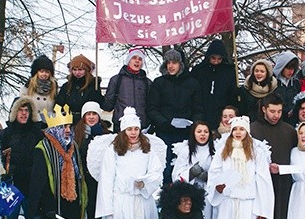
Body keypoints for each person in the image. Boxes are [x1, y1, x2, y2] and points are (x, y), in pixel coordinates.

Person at [28, 104, 86, 219]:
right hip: (51, 205)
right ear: (54, 129)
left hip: (71, 202)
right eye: (64, 127)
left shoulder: (73, 147)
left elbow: (80, 177)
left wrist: (81, 204)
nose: (68, 131)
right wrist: (44, 206)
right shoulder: (42, 148)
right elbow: (38, 180)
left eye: (69, 126)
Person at [249, 94, 297, 219]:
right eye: (272, 111)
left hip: (283, 186)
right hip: (259, 186)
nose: (276, 115)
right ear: (264, 109)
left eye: (279, 111)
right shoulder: (253, 129)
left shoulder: (289, 131)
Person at [147, 49, 204, 184]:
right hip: (165, 132)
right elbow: (152, 108)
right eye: (168, 62)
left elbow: (198, 108)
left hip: (186, 133)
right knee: (165, 168)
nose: (171, 66)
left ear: (181, 64)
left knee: (186, 167)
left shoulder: (193, 83)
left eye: (174, 62)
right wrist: (164, 123)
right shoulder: (159, 83)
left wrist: (194, 124)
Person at [72, 101, 110, 219]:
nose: (92, 117)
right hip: (79, 186)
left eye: (94, 114)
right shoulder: (76, 135)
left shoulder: (105, 135)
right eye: (88, 114)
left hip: (96, 186)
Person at [171, 120, 216, 219]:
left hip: (208, 196)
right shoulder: (186, 151)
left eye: (206, 132)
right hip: (190, 195)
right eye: (199, 131)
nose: (203, 135)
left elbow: (220, 172)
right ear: (193, 133)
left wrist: (208, 177)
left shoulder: (215, 151)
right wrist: (191, 172)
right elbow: (176, 175)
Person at [190, 39, 239, 130]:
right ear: (209, 57)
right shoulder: (198, 70)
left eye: (219, 59)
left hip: (222, 114)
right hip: (202, 111)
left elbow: (232, 94)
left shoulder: (229, 71)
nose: (216, 62)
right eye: (213, 58)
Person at [102, 48, 152, 132]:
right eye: (134, 58)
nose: (137, 61)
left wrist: (151, 123)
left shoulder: (147, 82)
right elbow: (108, 106)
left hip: (141, 126)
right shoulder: (116, 80)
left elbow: (151, 105)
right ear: (128, 60)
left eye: (140, 59)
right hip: (121, 126)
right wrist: (99, 97)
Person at [55, 54, 104, 120]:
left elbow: (98, 105)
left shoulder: (93, 86)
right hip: (68, 121)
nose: (77, 72)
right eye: (75, 70)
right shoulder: (66, 86)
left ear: (86, 70)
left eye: (80, 70)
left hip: (85, 121)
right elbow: (59, 104)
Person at [20, 55, 58, 123]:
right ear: (36, 72)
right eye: (41, 71)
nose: (44, 74)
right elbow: (21, 107)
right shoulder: (28, 87)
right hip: (31, 124)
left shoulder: (54, 88)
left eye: (47, 72)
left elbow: (56, 108)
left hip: (48, 125)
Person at [272, 51, 301, 122]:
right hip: (277, 120)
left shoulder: (296, 83)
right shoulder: (272, 82)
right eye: (288, 68)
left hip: (293, 121)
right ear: (281, 67)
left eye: (293, 69)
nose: (291, 72)